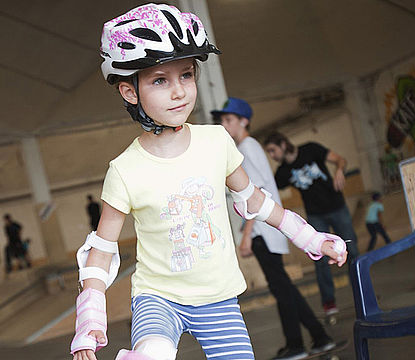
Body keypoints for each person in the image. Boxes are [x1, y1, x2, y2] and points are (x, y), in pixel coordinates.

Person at [70, 4, 348, 360]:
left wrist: (312, 238)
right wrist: (88, 321)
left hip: (219, 299)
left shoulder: (217, 142)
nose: (179, 92)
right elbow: (101, 250)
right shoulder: (125, 169)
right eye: (160, 80)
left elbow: (254, 201)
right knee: (151, 354)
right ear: (129, 92)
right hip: (158, 298)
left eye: (186, 75)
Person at [213, 97, 335, 359]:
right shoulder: (248, 146)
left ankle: (296, 346)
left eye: (228, 119)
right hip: (265, 232)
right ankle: (319, 336)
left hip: (262, 233)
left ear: (243, 121)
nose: (224, 124)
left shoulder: (246, 146)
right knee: (284, 288)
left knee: (282, 291)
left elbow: (256, 196)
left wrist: (246, 236)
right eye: (222, 120)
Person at [263, 132, 359, 316]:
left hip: (337, 207)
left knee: (352, 251)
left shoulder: (311, 149)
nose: (273, 156)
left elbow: (340, 159)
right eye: (269, 153)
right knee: (320, 259)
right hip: (315, 216)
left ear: (283, 144)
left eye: (273, 150)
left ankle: (362, 292)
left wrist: (340, 170)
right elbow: (269, 188)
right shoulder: (282, 172)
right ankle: (329, 303)